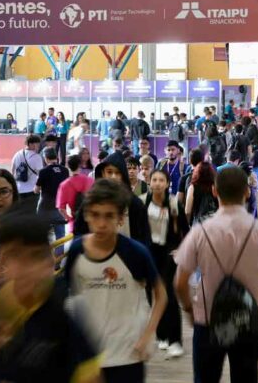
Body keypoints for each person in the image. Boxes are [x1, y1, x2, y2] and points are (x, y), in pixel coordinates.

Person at [0, 208, 102, 383]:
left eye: (36, 256)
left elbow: (91, 377)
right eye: (15, 255)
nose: (27, 268)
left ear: (49, 261)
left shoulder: (66, 311)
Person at [174, 166, 258, 383]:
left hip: (208, 321)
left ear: (214, 191)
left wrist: (189, 311)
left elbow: (180, 283)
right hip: (248, 320)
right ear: (247, 192)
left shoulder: (200, 232)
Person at [63, 179, 167, 383]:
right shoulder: (76, 251)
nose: (101, 223)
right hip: (88, 359)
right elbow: (69, 299)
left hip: (127, 355)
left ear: (120, 218)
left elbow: (161, 295)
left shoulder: (136, 253)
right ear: (86, 215)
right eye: (95, 215)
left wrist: (147, 335)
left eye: (109, 216)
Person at [141, 170, 189, 359]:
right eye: (155, 180)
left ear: (168, 183)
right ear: (149, 182)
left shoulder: (174, 203)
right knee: (152, 294)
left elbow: (186, 230)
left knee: (168, 294)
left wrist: (181, 250)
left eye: (162, 180)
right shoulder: (141, 202)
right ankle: (161, 335)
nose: (158, 183)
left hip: (169, 254)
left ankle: (175, 340)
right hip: (148, 252)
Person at [73, 152, 152, 247]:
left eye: (117, 173)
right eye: (109, 172)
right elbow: (79, 232)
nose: (113, 176)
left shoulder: (134, 203)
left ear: (123, 175)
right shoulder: (91, 201)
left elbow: (144, 238)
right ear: (102, 173)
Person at [35, 148, 69, 239]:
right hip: (60, 207)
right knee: (60, 236)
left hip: (45, 206)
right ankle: (60, 253)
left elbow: (36, 190)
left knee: (41, 235)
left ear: (45, 158)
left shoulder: (43, 171)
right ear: (56, 157)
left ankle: (44, 252)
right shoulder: (65, 170)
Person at [57, 154, 95, 234]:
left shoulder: (64, 185)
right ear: (80, 164)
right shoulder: (90, 180)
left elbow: (61, 209)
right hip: (92, 221)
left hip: (75, 224)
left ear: (68, 166)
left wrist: (69, 218)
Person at [11, 135, 44, 203]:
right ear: (30, 144)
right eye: (37, 143)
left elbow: (12, 170)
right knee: (31, 212)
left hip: (18, 190)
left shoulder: (17, 154)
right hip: (31, 190)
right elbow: (41, 175)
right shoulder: (37, 157)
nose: (39, 146)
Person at [185, 161, 219, 225]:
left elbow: (187, 211)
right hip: (215, 223)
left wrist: (187, 225)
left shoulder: (192, 187)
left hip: (199, 224)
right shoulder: (215, 186)